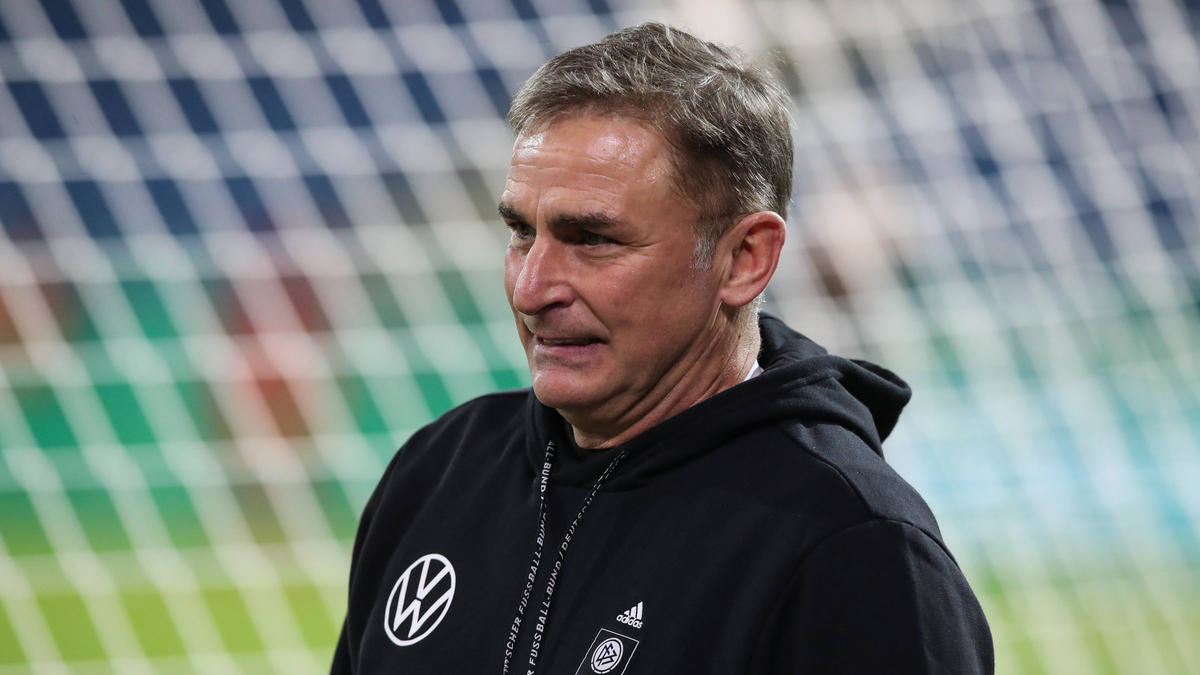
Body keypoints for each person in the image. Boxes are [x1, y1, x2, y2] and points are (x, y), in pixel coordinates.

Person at [331, 22, 993, 674]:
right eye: (522, 232)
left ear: (744, 260)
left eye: (592, 239)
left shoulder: (853, 547)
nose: (532, 289)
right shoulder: (438, 472)